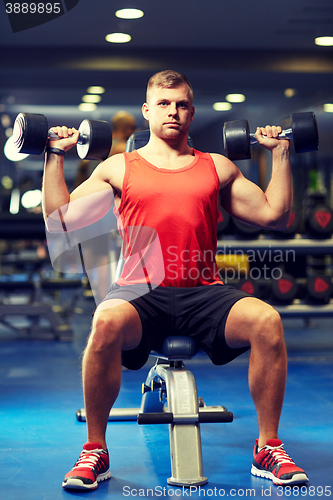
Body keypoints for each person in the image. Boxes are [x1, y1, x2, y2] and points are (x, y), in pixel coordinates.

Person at [42, 70, 309, 490]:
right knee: (105, 322)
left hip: (204, 292)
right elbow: (61, 221)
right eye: (164, 104)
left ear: (192, 112)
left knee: (267, 321)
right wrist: (54, 155)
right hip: (139, 292)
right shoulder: (118, 167)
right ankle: (95, 448)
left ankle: (267, 446)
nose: (173, 111)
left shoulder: (216, 167)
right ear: (147, 111)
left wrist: (279, 153)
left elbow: (273, 214)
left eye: (181, 104)